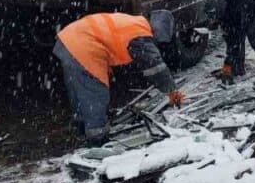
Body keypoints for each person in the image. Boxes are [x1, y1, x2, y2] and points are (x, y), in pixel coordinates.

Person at [53, 10, 183, 144]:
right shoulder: (141, 36)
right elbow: (156, 69)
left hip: (68, 39)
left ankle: (81, 127)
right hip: (83, 46)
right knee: (95, 93)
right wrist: (172, 91)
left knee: (79, 89)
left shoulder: (135, 23)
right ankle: (97, 138)